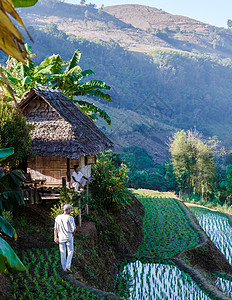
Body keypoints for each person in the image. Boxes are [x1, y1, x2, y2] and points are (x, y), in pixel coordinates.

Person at [54, 204, 76, 273]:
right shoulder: (70, 218)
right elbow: (74, 229)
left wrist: (55, 237)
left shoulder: (58, 217)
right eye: (70, 209)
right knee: (70, 251)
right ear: (68, 210)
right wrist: (73, 234)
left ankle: (64, 268)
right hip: (68, 236)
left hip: (61, 237)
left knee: (62, 252)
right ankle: (68, 266)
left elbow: (55, 229)